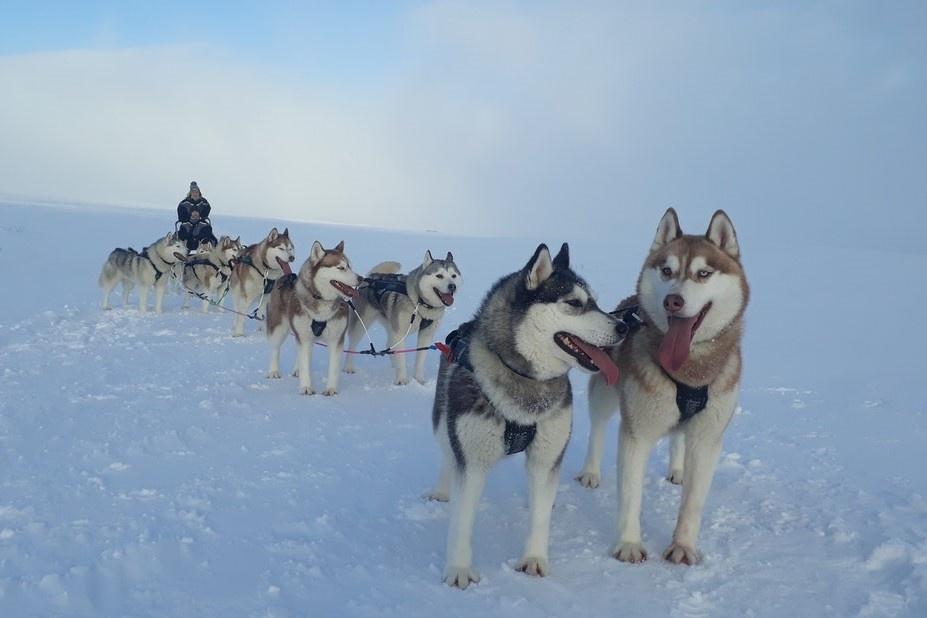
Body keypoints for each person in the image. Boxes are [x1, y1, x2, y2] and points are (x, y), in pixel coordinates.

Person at [176, 181, 217, 251]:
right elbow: (180, 213)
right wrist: (186, 219)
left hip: (200, 221)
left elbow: (207, 209)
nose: (195, 194)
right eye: (193, 192)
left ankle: (206, 247)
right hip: (187, 221)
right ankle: (182, 248)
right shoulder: (184, 203)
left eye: (196, 192)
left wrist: (202, 217)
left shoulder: (203, 202)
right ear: (190, 193)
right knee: (181, 233)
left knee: (208, 232)